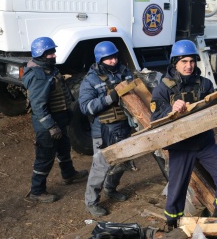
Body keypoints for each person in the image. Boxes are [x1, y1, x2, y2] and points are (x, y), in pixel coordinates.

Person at [150, 40, 217, 230]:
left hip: (204, 143)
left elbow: (216, 110)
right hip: (181, 147)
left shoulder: (205, 84)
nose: (189, 65)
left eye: (192, 61)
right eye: (183, 61)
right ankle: (172, 225)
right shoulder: (163, 89)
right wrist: (170, 109)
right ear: (174, 62)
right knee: (176, 192)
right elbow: (155, 118)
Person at [22, 37, 88, 203]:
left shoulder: (49, 69)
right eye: (50, 52)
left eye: (53, 51)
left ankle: (69, 174)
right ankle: (37, 191)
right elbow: (38, 106)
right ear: (42, 54)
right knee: (44, 157)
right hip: (47, 125)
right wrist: (51, 126)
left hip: (59, 119)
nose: (54, 55)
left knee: (64, 148)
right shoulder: (38, 75)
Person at [79, 41, 134, 217]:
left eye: (115, 57)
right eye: (108, 58)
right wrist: (109, 99)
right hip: (103, 130)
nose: (113, 61)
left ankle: (111, 189)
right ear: (100, 59)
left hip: (123, 127)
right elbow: (86, 107)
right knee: (100, 166)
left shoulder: (123, 72)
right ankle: (91, 202)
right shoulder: (91, 80)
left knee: (122, 162)